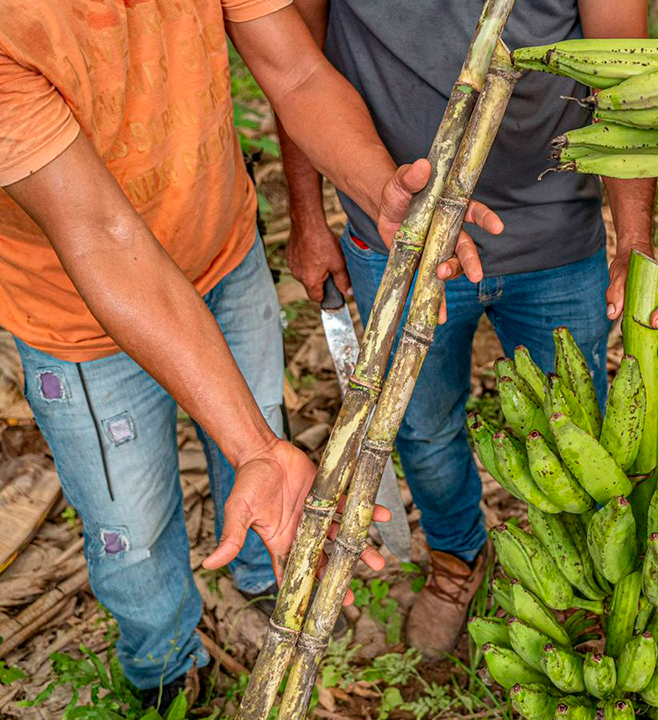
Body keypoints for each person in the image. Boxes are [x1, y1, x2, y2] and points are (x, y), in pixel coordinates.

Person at [0, 0, 499, 709]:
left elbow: (295, 73)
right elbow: (105, 237)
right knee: (132, 532)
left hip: (224, 252)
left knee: (257, 451)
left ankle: (264, 583)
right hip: (76, 315)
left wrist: (375, 185)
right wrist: (258, 447)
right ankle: (165, 668)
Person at [278, 0, 658, 661]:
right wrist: (306, 217)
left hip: (556, 230)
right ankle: (455, 558)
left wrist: (635, 244)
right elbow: (296, 64)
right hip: (400, 234)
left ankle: (584, 579)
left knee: (575, 430)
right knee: (423, 429)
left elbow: (626, 76)